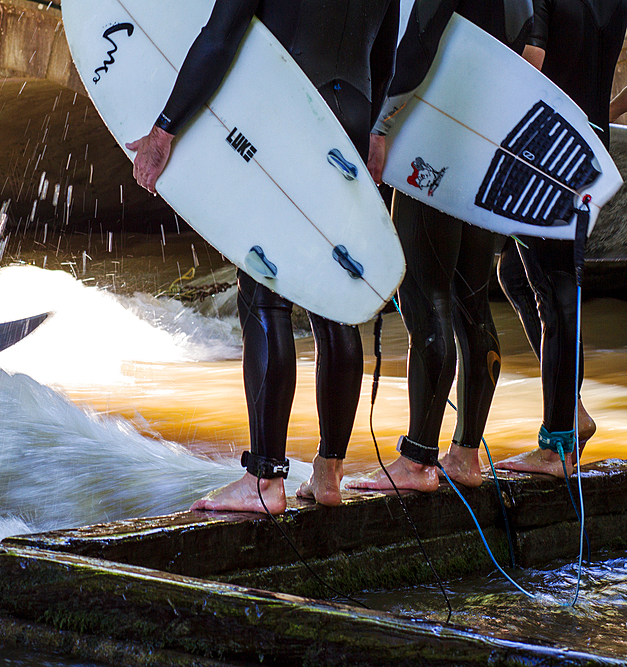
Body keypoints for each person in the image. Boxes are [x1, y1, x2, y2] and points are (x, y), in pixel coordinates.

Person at [128, 0, 399, 512]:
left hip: (287, 111)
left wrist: (165, 128)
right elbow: (385, 55)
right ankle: (328, 473)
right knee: (333, 298)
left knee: (263, 293)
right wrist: (372, 135)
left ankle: (264, 481)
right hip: (352, 112)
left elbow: (220, 36)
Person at [350, 0, 535, 492]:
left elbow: (418, 44)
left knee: (425, 299)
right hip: (485, 142)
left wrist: (381, 125)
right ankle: (466, 455)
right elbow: (532, 53)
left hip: (435, 138)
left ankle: (417, 461)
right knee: (471, 305)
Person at [494, 0, 627, 477]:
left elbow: (532, 57)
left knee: (552, 286)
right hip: (588, 142)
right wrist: (602, 116)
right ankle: (572, 412)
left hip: (547, 142)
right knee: (514, 271)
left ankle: (557, 446)